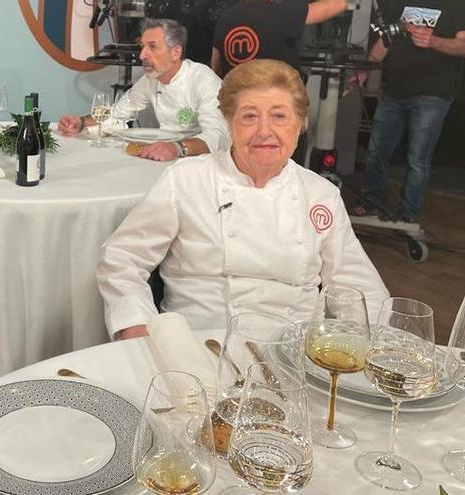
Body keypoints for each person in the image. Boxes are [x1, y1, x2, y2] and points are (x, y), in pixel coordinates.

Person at [96, 59, 389, 340]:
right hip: (196, 347)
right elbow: (123, 259)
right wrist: (136, 326)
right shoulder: (186, 180)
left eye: (279, 116)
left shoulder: (321, 194)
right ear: (228, 122)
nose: (264, 131)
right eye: (249, 116)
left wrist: (367, 346)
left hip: (294, 355)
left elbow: (359, 287)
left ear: (300, 123)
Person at [352, 0, 465, 223]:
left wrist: (433, 42)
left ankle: (407, 213)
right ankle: (369, 201)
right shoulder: (398, 3)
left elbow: (462, 46)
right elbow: (387, 40)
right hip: (395, 89)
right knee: (376, 152)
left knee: (417, 160)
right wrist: (365, 70)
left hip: (433, 93)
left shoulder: (455, 4)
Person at [58, 18, 230, 162]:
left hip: (202, 165)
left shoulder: (203, 80)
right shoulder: (151, 79)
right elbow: (118, 114)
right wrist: (80, 123)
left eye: (152, 47)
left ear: (176, 53)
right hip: (164, 158)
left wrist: (177, 148)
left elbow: (218, 137)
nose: (142, 55)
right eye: (142, 46)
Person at [211, 0, 347, 77]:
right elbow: (338, 4)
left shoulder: (225, 18)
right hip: (278, 102)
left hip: (238, 106)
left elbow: (215, 66)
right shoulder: (282, 13)